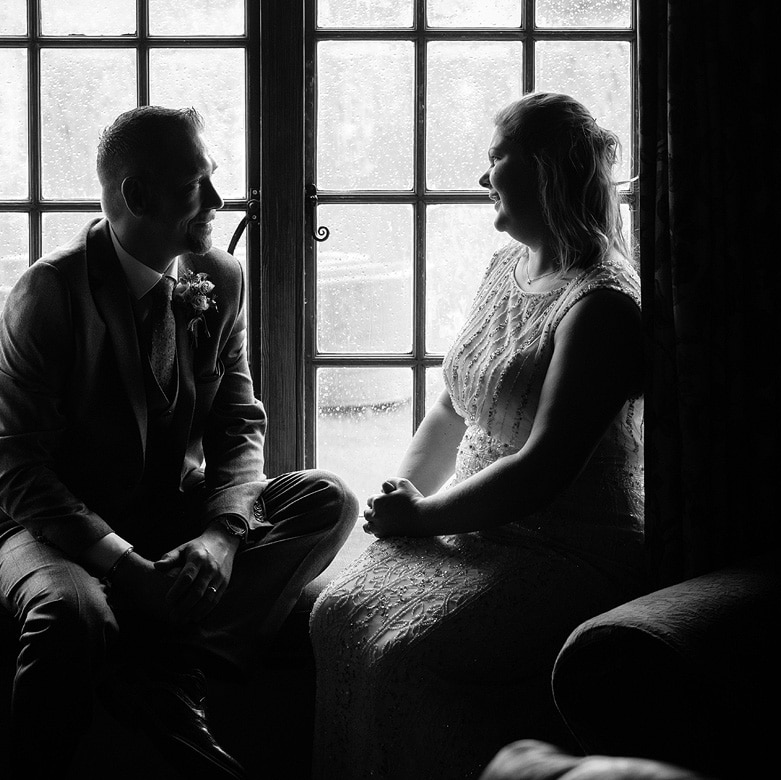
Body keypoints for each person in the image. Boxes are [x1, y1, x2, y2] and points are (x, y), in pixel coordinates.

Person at [0, 105, 357, 780]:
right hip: (28, 520)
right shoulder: (49, 292)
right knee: (72, 616)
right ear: (137, 196)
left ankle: (160, 674)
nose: (218, 199)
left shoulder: (218, 277)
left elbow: (238, 424)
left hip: (159, 508)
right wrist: (127, 568)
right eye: (196, 185)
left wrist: (220, 535)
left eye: (214, 178)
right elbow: (16, 466)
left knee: (326, 500)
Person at [309, 92, 647, 779]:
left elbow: (544, 467)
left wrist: (427, 516)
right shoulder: (505, 269)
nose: (484, 178)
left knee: (407, 653)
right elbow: (451, 405)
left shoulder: (604, 303)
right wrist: (403, 496)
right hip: (476, 523)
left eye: (498, 160)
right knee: (335, 611)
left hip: (564, 545)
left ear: (546, 172)